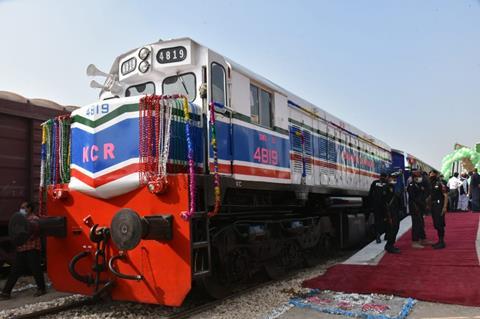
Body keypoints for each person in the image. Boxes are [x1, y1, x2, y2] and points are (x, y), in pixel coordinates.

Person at [0, 202, 46, 300]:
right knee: (15, 271)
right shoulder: (21, 220)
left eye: (23, 207)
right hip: (22, 248)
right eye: (21, 207)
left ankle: (41, 289)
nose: (21, 209)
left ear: (29, 209)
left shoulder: (35, 219)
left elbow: (33, 233)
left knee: (36, 269)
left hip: (32, 248)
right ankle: (6, 293)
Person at [407, 170, 429, 248]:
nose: (420, 178)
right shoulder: (411, 185)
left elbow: (423, 194)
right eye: (418, 177)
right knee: (416, 224)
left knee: (421, 223)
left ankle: (423, 238)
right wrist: (422, 204)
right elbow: (414, 198)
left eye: (420, 176)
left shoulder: (419, 185)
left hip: (419, 207)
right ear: (414, 177)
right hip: (415, 207)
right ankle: (415, 241)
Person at [383, 172, 401, 253]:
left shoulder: (392, 187)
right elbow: (384, 201)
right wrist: (387, 214)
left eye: (395, 178)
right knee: (392, 228)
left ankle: (391, 244)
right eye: (393, 177)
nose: (394, 179)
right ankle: (389, 245)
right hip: (390, 211)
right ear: (388, 178)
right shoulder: (386, 187)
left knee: (396, 227)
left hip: (395, 211)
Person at [429, 170, 448, 249]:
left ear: (436, 174)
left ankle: (441, 242)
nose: (431, 174)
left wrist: (444, 207)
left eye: (433, 173)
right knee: (436, 223)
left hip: (439, 205)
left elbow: (445, 195)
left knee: (439, 223)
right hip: (433, 205)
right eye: (430, 173)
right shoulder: (431, 183)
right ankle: (440, 241)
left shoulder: (440, 183)